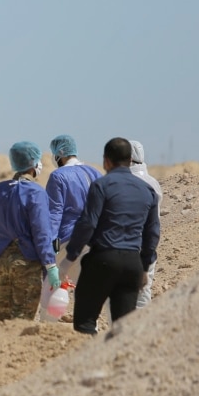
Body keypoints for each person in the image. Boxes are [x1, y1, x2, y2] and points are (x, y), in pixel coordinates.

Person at [64, 137, 160, 335]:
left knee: (85, 323)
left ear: (106, 161)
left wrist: (70, 256)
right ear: (129, 160)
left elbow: (88, 223)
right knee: (123, 329)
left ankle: (87, 364)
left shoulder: (102, 186)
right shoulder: (147, 189)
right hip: (133, 263)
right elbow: (152, 233)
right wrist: (145, 265)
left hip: (103, 260)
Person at [0, 141, 60, 321]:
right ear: (33, 165)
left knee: (1, 317)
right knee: (21, 318)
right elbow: (42, 233)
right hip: (26, 263)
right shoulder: (36, 193)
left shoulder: (0, 189)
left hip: (2, 261)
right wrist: (50, 265)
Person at [40, 134, 102, 321]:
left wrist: (50, 248)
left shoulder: (59, 176)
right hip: (96, 241)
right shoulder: (95, 173)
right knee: (89, 295)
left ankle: (45, 334)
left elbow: (54, 214)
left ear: (60, 154)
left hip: (69, 241)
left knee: (51, 291)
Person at [128, 140, 163, 308]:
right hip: (147, 250)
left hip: (125, 248)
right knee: (142, 298)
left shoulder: (121, 182)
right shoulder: (153, 183)